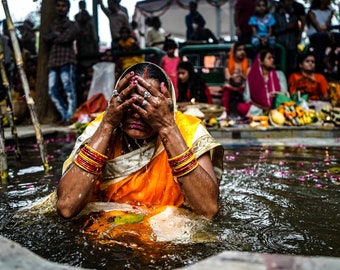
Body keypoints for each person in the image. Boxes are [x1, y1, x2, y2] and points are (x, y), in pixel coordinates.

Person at [56, 62, 223, 222]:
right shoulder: (101, 127)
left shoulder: (188, 130)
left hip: (171, 235)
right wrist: (107, 125)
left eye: (148, 104)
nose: (137, 114)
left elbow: (208, 210)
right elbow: (67, 208)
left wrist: (167, 128)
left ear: (167, 104)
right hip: (109, 234)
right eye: (130, 103)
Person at [42, 0, 79, 124]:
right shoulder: (52, 25)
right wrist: (56, 35)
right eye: (58, 6)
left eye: (63, 6)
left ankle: (70, 118)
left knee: (69, 89)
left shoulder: (72, 24)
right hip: (53, 61)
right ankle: (65, 116)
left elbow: (66, 38)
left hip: (67, 60)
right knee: (52, 91)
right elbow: (45, 37)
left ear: (68, 8)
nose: (60, 8)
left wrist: (55, 36)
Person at [237, 49, 288, 117]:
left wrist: (276, 94)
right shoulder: (251, 78)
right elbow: (246, 98)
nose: (272, 60)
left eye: (272, 58)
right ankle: (264, 114)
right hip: (259, 109)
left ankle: (269, 114)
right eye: (269, 58)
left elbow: (285, 93)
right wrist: (260, 106)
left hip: (278, 107)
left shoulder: (280, 74)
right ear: (260, 62)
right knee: (241, 107)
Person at [306, 0, 340, 74]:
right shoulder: (312, 12)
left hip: (326, 33)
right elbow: (319, 27)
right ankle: (322, 61)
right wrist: (326, 30)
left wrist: (327, 31)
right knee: (322, 37)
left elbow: (327, 26)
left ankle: (330, 57)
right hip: (315, 34)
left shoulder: (329, 11)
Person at [272, 0, 301, 77]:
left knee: (292, 66)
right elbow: (273, 30)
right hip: (280, 43)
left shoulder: (294, 15)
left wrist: (298, 35)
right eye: (287, 1)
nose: (290, 3)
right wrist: (286, 27)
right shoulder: (276, 16)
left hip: (292, 44)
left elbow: (297, 29)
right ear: (282, 3)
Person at [222, 41, 250, 117]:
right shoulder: (228, 61)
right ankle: (225, 114)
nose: (242, 52)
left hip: (243, 85)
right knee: (226, 89)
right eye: (239, 50)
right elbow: (227, 77)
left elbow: (247, 77)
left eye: (243, 50)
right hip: (231, 85)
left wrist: (240, 75)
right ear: (234, 51)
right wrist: (235, 76)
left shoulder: (248, 62)